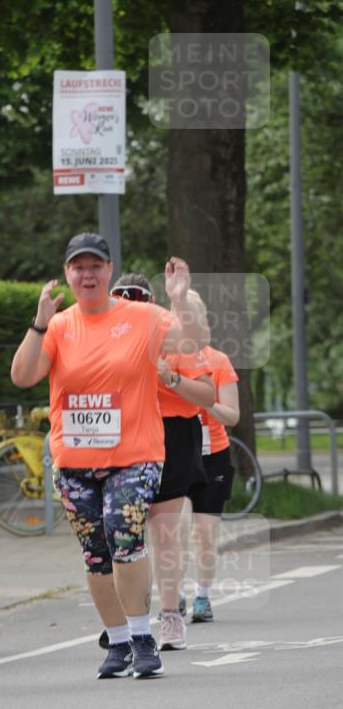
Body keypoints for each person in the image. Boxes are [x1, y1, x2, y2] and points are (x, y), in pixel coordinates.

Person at [11, 233, 205, 680]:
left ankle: (142, 636)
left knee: (123, 536)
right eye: (78, 267)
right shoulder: (60, 326)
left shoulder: (142, 317)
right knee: (96, 554)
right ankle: (117, 641)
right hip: (75, 461)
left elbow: (190, 348)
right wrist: (40, 322)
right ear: (67, 275)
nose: (87, 274)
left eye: (95, 266)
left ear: (109, 270)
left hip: (134, 456)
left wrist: (179, 301)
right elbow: (23, 375)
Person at [110, 277, 215, 654]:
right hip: (123, 433)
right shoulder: (102, 336)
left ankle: (169, 613)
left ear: (152, 303)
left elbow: (207, 393)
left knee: (165, 534)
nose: (129, 307)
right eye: (120, 300)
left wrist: (168, 377)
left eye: (137, 300)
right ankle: (124, 623)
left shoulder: (173, 334)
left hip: (172, 433)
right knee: (120, 535)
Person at [188, 310, 240, 623]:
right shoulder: (164, 361)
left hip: (213, 454)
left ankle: (202, 596)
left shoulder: (218, 361)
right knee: (172, 528)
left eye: (202, 323)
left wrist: (206, 401)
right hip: (176, 455)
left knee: (205, 532)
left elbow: (233, 416)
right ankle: (173, 595)